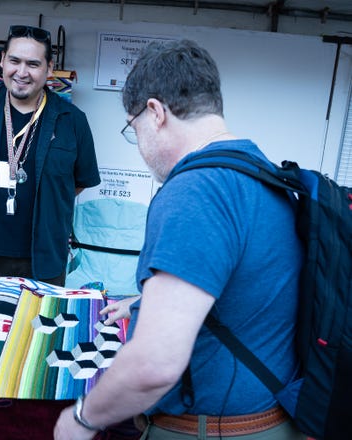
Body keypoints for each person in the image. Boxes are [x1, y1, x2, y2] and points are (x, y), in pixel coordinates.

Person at [54, 39, 305, 439]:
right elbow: (247, 286)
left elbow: (154, 365)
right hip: (272, 419)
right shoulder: (261, 173)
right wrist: (150, 301)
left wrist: (82, 419)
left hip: (212, 429)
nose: (138, 145)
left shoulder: (194, 192)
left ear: (155, 112)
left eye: (132, 128)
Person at [0, 25, 101, 286]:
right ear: (2, 61)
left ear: (49, 68)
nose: (22, 72)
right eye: (14, 61)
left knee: (39, 325)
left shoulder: (72, 121)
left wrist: (49, 199)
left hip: (45, 260)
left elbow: (78, 182)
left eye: (33, 64)